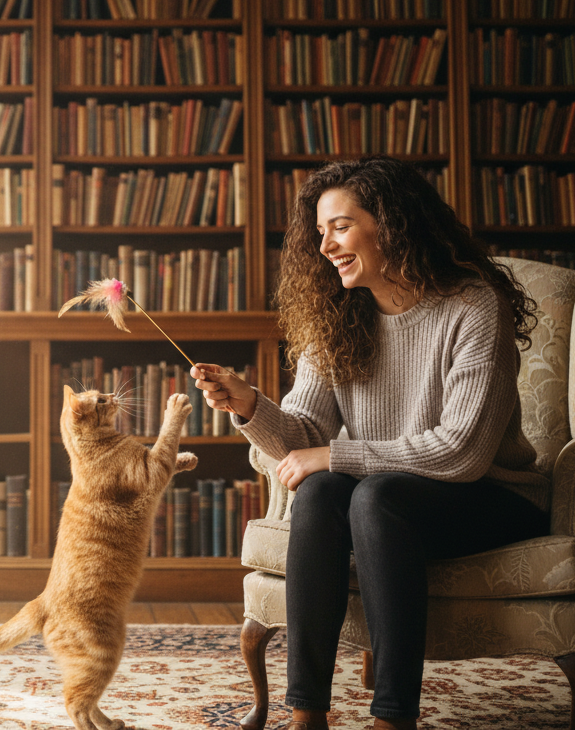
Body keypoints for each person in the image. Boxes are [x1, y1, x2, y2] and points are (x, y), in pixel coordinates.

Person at [190, 156, 550, 730]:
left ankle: (393, 717)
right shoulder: (338, 316)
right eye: (320, 233)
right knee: (323, 493)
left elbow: (463, 450)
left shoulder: (473, 306)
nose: (326, 245)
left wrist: (336, 454)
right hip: (388, 499)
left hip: (493, 497)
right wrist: (251, 406)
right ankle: (307, 712)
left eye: (340, 226)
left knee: (369, 493)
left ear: (392, 223)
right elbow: (304, 436)